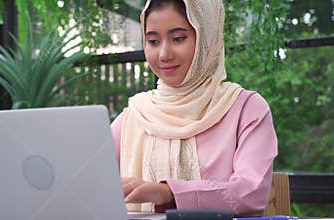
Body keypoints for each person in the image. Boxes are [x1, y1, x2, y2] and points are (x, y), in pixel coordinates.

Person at [111, 0, 277, 216]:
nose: (164, 54)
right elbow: (88, 182)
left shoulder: (246, 109)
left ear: (207, 38)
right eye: (153, 41)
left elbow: (250, 193)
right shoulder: (134, 116)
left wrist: (170, 193)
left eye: (178, 38)